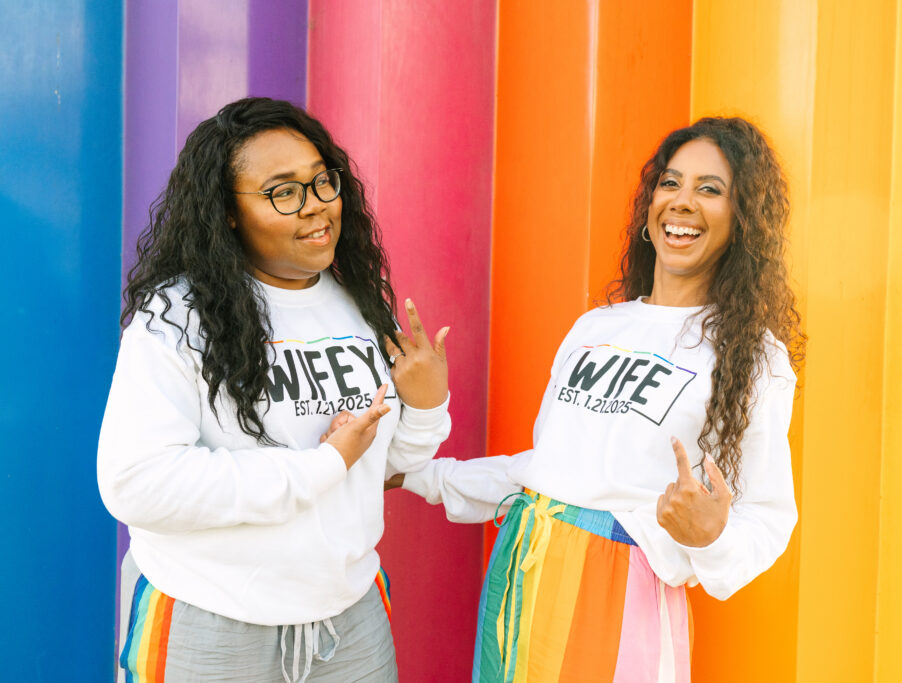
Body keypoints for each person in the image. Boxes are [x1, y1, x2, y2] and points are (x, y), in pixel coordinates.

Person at [389, 117, 804, 682]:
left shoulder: (753, 355)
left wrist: (711, 538)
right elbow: (547, 475)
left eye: (710, 190)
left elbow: (767, 519)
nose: (682, 203)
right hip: (521, 574)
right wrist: (414, 474)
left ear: (743, 221)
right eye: (670, 183)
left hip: (620, 593)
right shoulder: (596, 326)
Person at [97, 97, 451, 683]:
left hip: (348, 622)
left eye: (321, 182)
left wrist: (425, 405)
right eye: (283, 192)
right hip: (213, 624)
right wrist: (319, 466)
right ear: (226, 214)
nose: (316, 208)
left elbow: (377, 470)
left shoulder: (356, 305)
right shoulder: (178, 317)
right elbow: (135, 484)